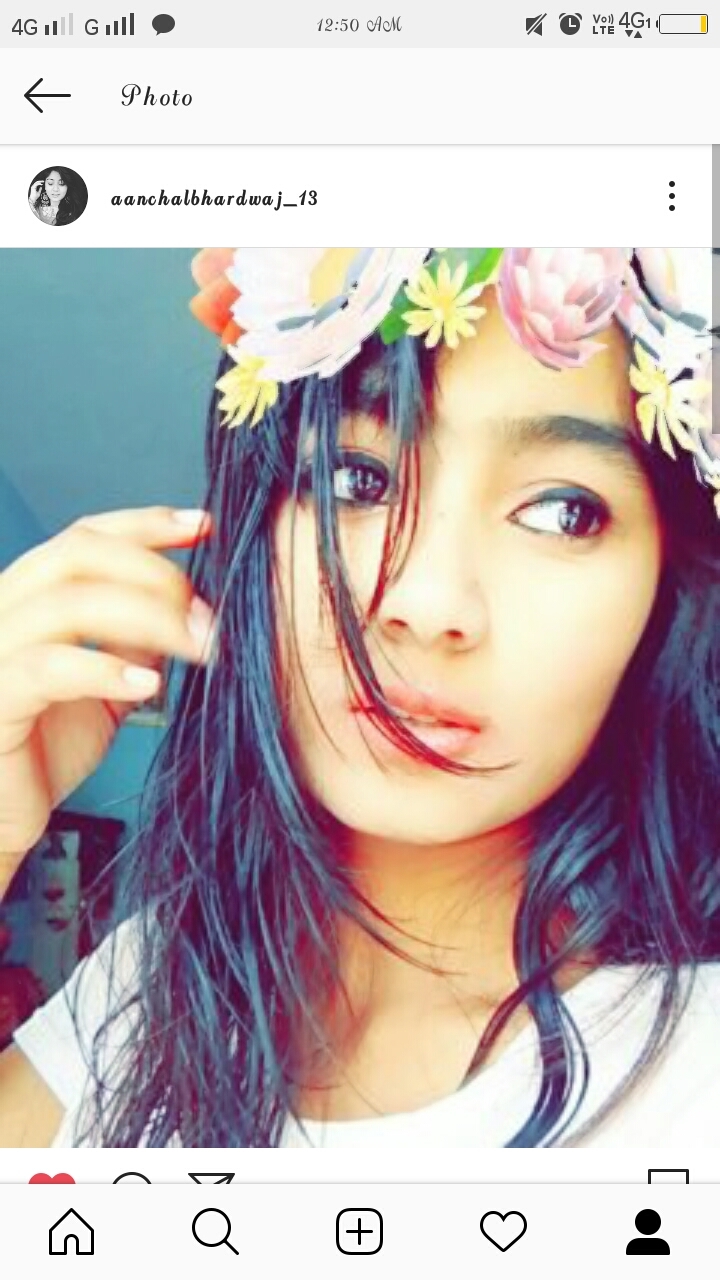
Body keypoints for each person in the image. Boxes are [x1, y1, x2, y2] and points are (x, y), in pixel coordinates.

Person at [0, 247, 719, 1150]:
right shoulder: (148, 985)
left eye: (563, 511)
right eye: (356, 479)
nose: (427, 603)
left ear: (666, 595)